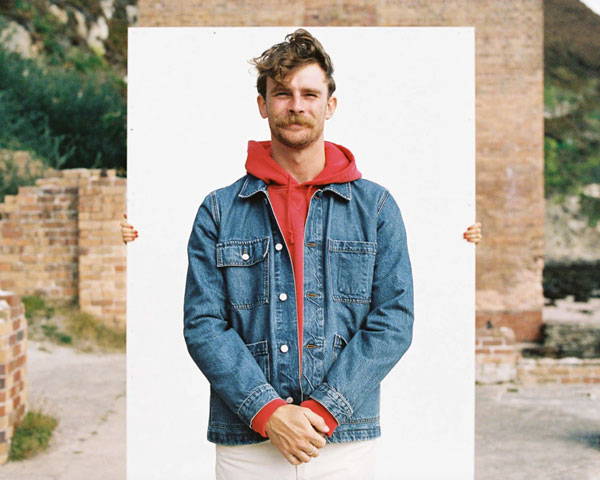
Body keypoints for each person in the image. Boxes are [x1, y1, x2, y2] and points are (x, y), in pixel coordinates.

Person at [122, 29, 482, 479]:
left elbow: (393, 318)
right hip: (247, 441)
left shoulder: (376, 208)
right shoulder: (218, 210)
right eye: (282, 94)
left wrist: (323, 411)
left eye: (310, 93)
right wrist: (268, 412)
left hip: (343, 439)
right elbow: (203, 324)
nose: (296, 105)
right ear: (262, 104)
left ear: (330, 104)